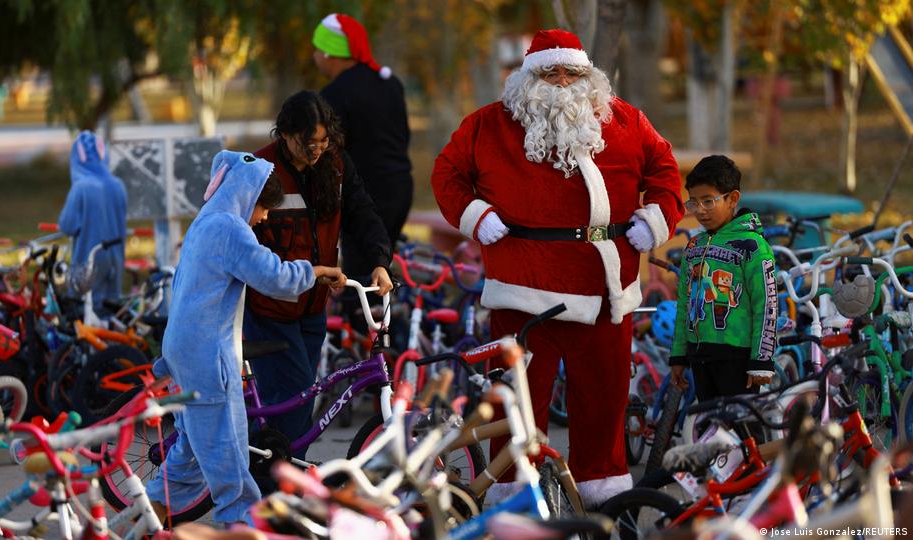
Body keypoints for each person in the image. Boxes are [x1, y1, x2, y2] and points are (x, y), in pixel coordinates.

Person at [430, 29, 684, 508]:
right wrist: (475, 215)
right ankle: (515, 506)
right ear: (528, 77)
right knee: (515, 410)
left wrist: (657, 218)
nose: (563, 81)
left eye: (572, 72)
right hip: (522, 290)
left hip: (606, 290)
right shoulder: (490, 124)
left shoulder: (625, 119)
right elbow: (447, 174)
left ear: (589, 75)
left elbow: (664, 170)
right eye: (551, 72)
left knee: (604, 408)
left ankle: (608, 504)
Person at [145, 150, 346, 526]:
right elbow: (273, 276)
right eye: (264, 210)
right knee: (230, 456)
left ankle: (143, 519)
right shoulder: (230, 229)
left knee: (190, 451)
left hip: (184, 348)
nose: (264, 218)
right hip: (207, 355)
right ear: (249, 198)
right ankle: (241, 526)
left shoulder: (206, 221)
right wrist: (317, 270)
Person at [245, 91, 393, 461]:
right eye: (308, 143)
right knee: (292, 395)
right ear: (285, 134)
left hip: (313, 307)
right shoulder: (260, 169)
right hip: (269, 309)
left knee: (300, 397)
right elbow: (239, 238)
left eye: (324, 142)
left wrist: (379, 261)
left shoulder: (337, 165)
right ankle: (277, 478)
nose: (316, 151)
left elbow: (363, 214)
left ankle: (275, 469)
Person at [669, 155, 777, 401]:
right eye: (694, 203)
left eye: (709, 201)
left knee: (742, 433)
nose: (701, 211)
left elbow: (767, 304)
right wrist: (678, 356)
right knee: (710, 432)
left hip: (738, 359)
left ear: (733, 199)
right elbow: (685, 305)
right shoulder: (694, 247)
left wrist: (762, 360)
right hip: (700, 358)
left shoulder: (753, 246)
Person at [312, 13, 413, 258]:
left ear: (328, 52)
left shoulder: (334, 94)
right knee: (381, 266)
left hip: (365, 195)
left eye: (316, 49)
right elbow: (403, 136)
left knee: (361, 280)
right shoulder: (390, 83)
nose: (313, 55)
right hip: (401, 187)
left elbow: (328, 149)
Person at [58, 130, 127, 317]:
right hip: (116, 258)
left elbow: (67, 225)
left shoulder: (81, 188)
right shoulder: (118, 185)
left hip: (89, 260)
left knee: (87, 312)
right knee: (110, 311)